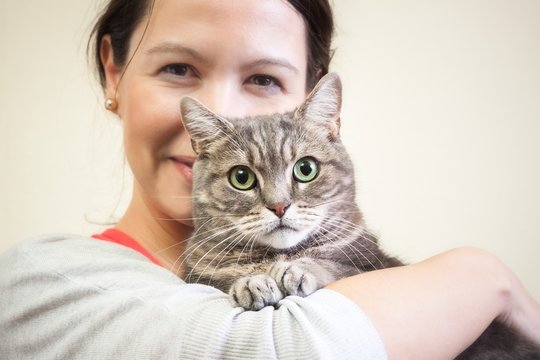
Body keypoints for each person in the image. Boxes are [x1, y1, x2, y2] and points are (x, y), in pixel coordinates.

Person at [1, 0, 539, 359]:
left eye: (263, 78)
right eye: (179, 69)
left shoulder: (353, 253)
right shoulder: (40, 282)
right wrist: (482, 275)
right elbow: (282, 347)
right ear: (114, 72)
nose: (221, 109)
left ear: (325, 114)